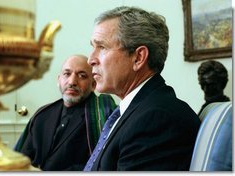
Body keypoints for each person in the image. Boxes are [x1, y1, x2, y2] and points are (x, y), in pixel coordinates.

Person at [84, 6, 201, 171]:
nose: (90, 59)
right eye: (92, 47)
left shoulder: (157, 119)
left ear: (138, 58)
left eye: (102, 47)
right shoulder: (139, 110)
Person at [17, 54, 117, 171]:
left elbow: (104, 164)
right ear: (59, 80)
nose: (72, 82)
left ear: (93, 85)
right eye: (67, 74)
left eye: (82, 76)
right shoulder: (42, 115)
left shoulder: (101, 114)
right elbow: (23, 158)